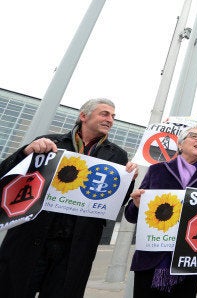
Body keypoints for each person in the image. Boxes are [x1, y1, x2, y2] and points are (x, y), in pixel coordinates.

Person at [0, 98, 138, 297]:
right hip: (31, 236)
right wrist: (26, 152)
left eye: (113, 117)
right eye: (104, 114)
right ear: (83, 116)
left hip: (76, 246)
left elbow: (115, 202)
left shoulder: (117, 156)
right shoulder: (49, 143)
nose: (110, 120)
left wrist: (129, 180)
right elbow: (6, 175)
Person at [124, 125, 197, 297]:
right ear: (180, 144)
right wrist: (137, 204)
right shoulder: (157, 170)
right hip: (152, 258)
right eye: (194, 136)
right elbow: (131, 216)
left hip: (190, 260)